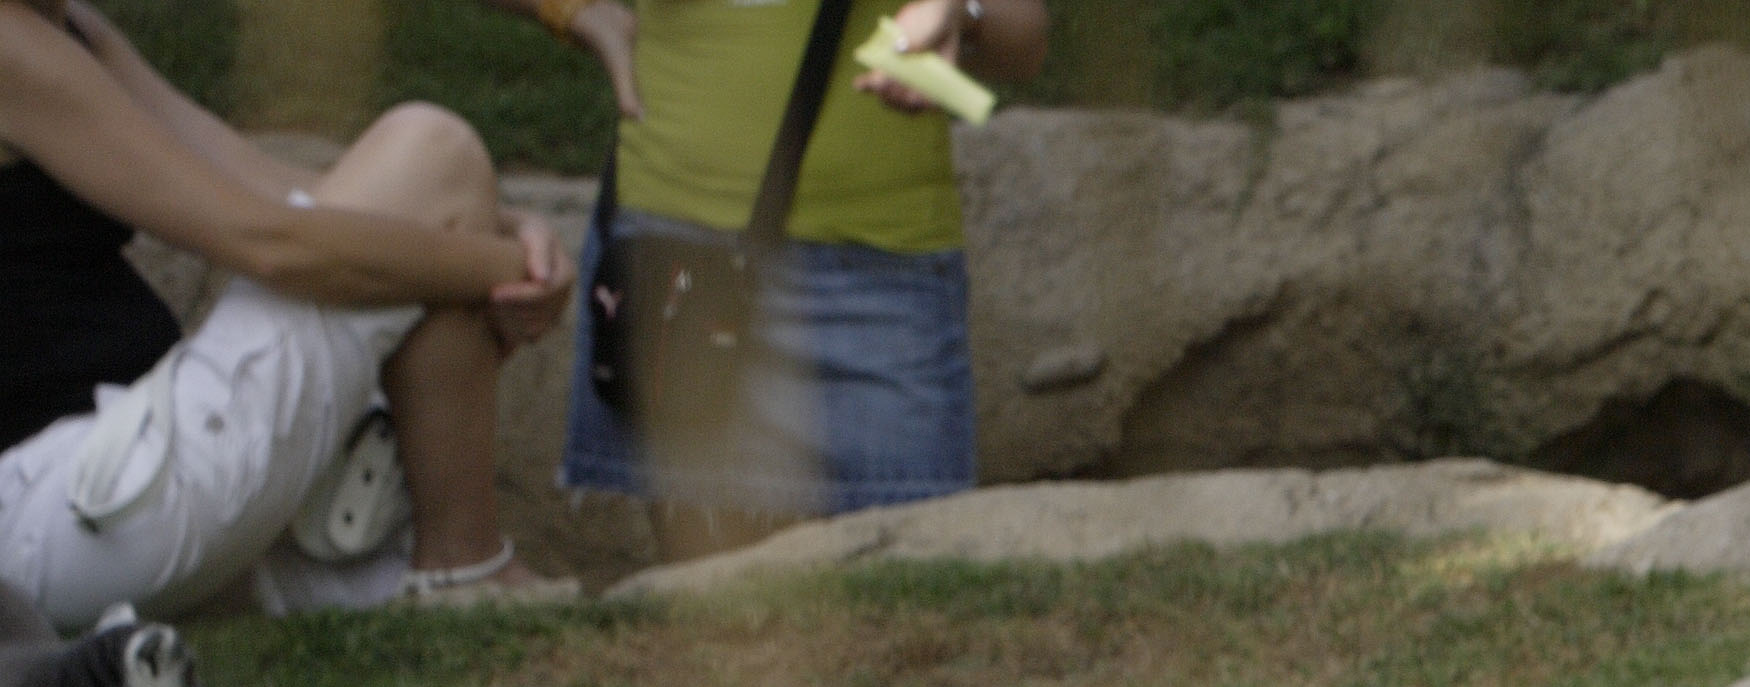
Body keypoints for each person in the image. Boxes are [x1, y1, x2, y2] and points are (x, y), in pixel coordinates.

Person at [0, 0, 566, 622]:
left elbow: (276, 192)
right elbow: (271, 244)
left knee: (432, 177)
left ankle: (432, 569)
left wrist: (505, 232)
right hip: (60, 510)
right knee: (433, 147)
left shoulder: (72, 26)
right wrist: (502, 270)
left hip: (107, 491)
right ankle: (464, 569)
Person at [534, 0, 1041, 560]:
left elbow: (1024, 43)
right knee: (716, 612)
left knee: (902, 600)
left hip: (878, 276)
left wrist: (958, 12)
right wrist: (574, 13)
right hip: (681, 256)